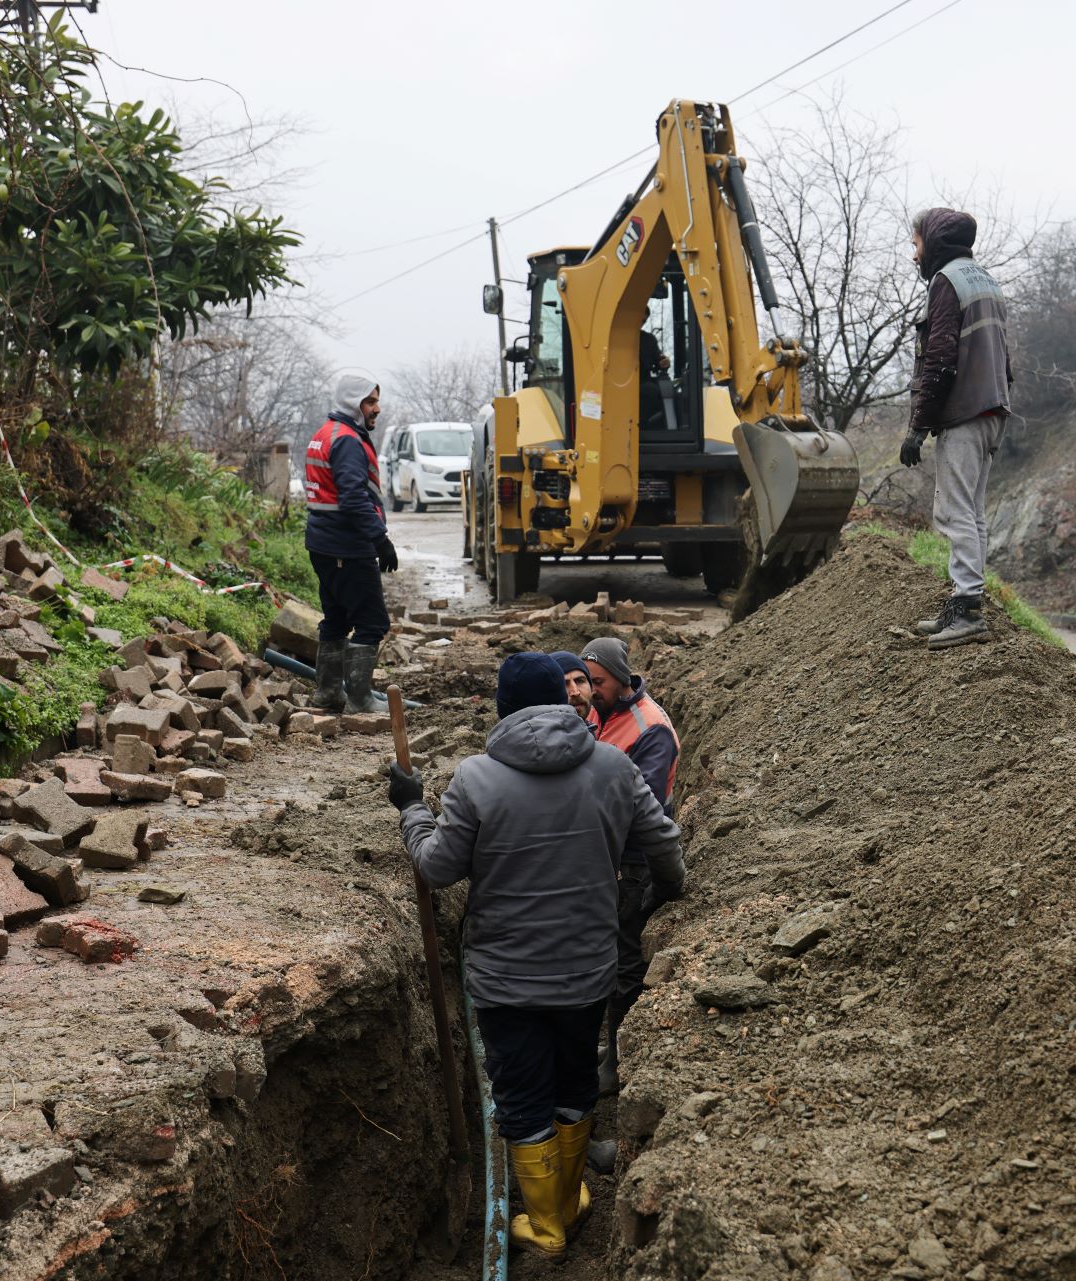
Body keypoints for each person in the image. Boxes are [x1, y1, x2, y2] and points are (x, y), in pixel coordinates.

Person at [387, 652, 684, 1258]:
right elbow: (663, 841)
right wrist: (672, 892)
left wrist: (412, 809)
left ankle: (546, 1225)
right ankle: (568, 1200)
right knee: (576, 1079)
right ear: (562, 697)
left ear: (502, 709)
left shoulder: (474, 777)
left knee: (521, 1094)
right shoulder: (612, 766)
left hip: (507, 981)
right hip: (588, 969)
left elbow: (438, 867)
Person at [897, 208, 1013, 650]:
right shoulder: (984, 280)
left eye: (916, 244)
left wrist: (918, 427)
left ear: (934, 240)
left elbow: (940, 357)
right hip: (993, 408)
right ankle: (967, 601)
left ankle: (967, 611)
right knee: (974, 513)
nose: (914, 255)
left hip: (966, 412)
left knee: (954, 512)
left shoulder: (947, 282)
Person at [579, 636, 679, 1098]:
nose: (589, 691)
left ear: (621, 677)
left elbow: (647, 808)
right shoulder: (604, 710)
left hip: (634, 859)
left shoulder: (650, 728)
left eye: (596, 681)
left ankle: (617, 1064)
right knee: (606, 953)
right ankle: (610, 1045)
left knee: (625, 962)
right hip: (607, 851)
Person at [305, 371, 402, 711]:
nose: (376, 408)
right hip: (347, 546)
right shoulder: (347, 439)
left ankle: (329, 693)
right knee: (372, 622)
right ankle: (359, 699)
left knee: (336, 619)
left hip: (324, 544)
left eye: (377, 400)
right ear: (353, 403)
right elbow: (354, 498)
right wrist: (380, 539)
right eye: (370, 401)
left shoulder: (325, 434)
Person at [549, 651, 596, 724]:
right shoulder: (534, 734)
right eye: (564, 684)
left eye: (580, 681)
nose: (575, 692)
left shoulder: (590, 732)